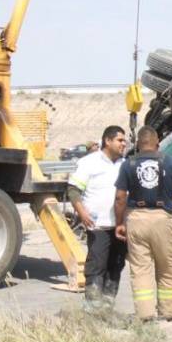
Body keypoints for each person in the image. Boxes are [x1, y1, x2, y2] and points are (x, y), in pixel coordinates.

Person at [114, 126, 172, 321]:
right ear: (157, 143)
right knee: (166, 267)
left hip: (136, 219)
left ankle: (145, 314)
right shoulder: (169, 161)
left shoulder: (127, 164)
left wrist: (119, 223)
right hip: (162, 218)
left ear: (138, 143)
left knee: (140, 269)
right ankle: (170, 312)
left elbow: (120, 197)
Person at [68, 125, 127, 311]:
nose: (124, 143)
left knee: (115, 266)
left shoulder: (125, 164)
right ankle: (92, 309)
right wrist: (82, 212)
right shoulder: (89, 162)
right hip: (98, 225)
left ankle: (107, 308)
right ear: (107, 141)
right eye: (120, 140)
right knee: (96, 267)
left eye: (124, 140)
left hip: (119, 227)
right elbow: (73, 190)